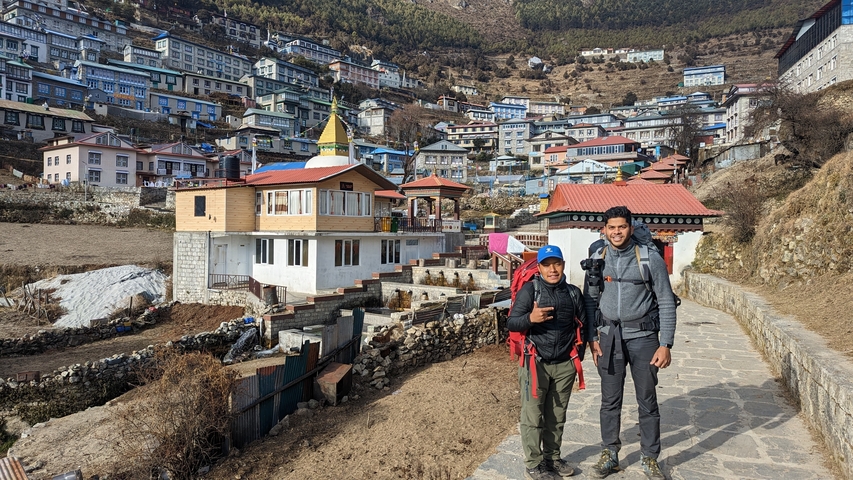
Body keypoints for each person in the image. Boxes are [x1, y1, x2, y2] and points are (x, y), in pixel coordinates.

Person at [584, 206, 677, 480]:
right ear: (604, 229)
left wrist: (666, 343)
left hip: (644, 338)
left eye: (621, 227)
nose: (616, 232)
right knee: (609, 400)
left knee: (647, 400)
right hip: (609, 338)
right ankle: (610, 453)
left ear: (631, 228)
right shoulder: (596, 259)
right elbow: (590, 301)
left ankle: (649, 457)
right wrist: (592, 338)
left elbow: (666, 301)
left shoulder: (650, 258)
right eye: (611, 227)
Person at [508, 245, 587, 479]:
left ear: (563, 264)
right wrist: (530, 318)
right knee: (532, 416)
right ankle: (534, 463)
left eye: (557, 263)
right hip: (535, 362)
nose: (552, 269)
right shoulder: (529, 292)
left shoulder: (573, 293)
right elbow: (511, 323)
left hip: (564, 364)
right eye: (547, 264)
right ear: (539, 267)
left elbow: (582, 325)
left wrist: (575, 361)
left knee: (557, 415)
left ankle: (552, 458)